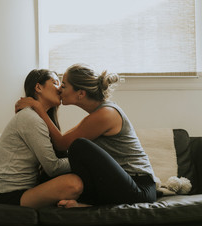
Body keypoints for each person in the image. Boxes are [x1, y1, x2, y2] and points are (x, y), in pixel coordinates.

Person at [15, 63, 157, 208]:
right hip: (120, 184)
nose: (59, 90)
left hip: (139, 189)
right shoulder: (96, 115)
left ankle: (87, 204)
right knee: (66, 158)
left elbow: (62, 143)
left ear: (80, 93)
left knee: (79, 146)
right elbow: (63, 144)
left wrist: (39, 108)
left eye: (63, 85)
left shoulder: (106, 114)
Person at [0, 69, 84, 209]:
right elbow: (53, 167)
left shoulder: (37, 117)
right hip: (9, 194)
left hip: (27, 189)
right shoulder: (30, 118)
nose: (60, 89)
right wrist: (85, 160)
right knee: (73, 183)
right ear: (38, 87)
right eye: (55, 82)